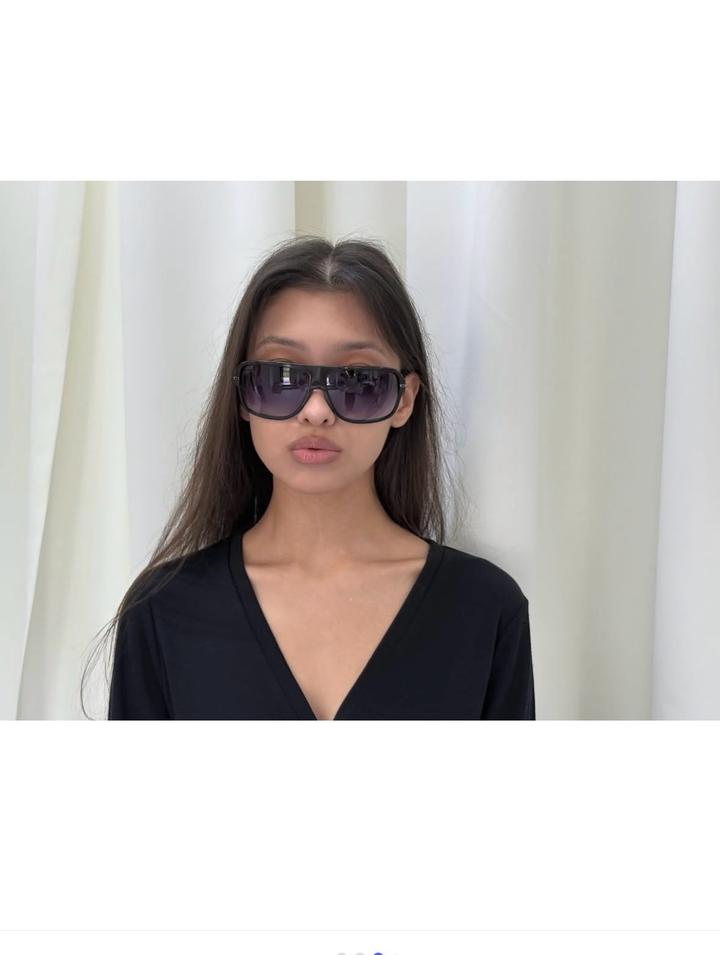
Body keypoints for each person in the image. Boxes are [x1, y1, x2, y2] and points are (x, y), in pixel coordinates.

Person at [81, 234, 535, 720]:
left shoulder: (484, 609)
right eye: (281, 376)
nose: (316, 411)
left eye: (357, 379)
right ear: (242, 394)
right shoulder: (163, 610)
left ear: (404, 400)